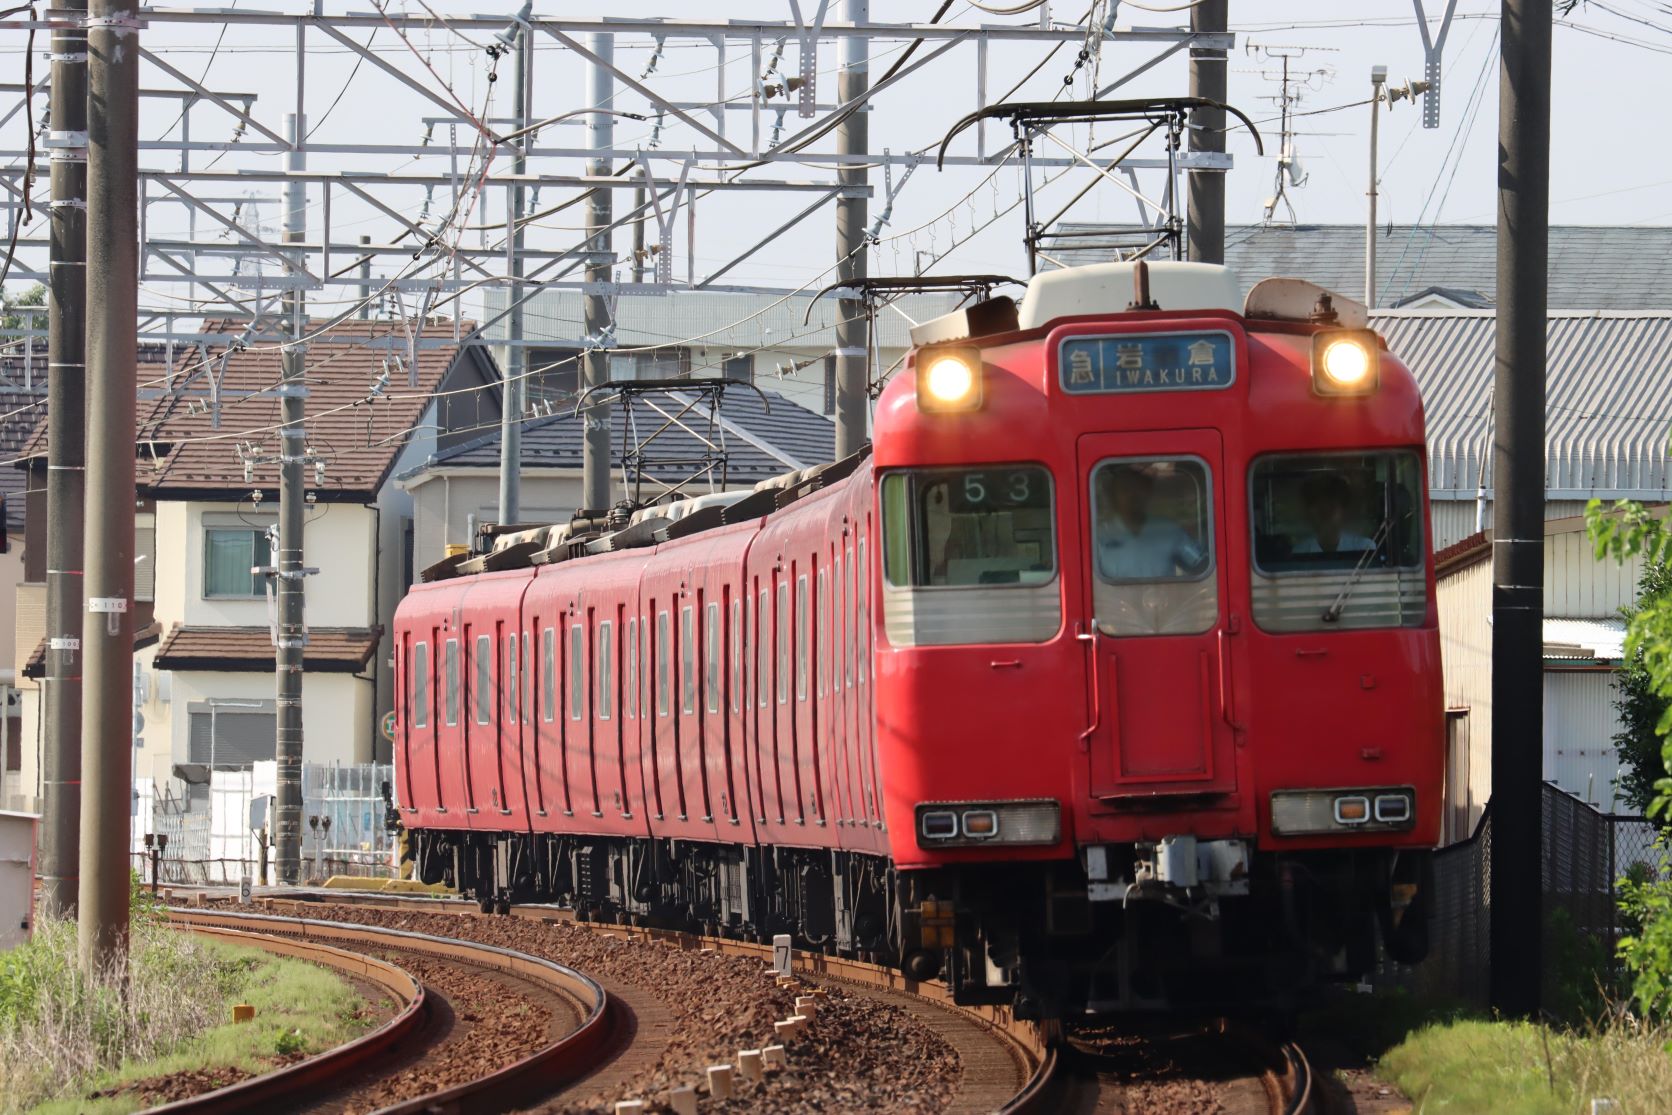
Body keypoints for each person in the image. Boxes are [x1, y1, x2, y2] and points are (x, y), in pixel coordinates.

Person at [1095, 465, 1208, 580]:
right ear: (1114, 496)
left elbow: (1200, 565)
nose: (1132, 496)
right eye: (1125, 490)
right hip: (1112, 598)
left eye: (1138, 489)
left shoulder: (1168, 529)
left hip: (1164, 597)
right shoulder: (1100, 535)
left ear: (1147, 494)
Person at [1292, 473, 1376, 557]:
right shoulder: (1300, 551)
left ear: (1343, 511)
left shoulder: (1364, 547)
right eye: (1320, 509)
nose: (1326, 516)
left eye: (1332, 508)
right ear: (1310, 513)